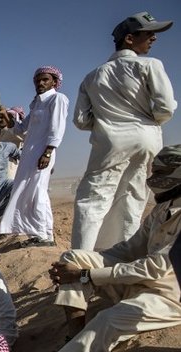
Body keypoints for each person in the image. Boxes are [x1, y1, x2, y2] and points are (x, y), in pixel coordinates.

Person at [1, 144, 181, 352]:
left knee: (107, 320)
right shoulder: (162, 208)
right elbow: (130, 249)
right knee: (73, 256)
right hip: (137, 278)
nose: (153, 177)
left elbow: (154, 267)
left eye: (161, 172)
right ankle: (74, 336)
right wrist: (88, 264)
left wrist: (87, 275)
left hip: (168, 295)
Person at [71, 12, 176, 251]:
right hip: (147, 139)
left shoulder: (92, 76)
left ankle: (79, 267)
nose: (153, 38)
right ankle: (119, 262)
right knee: (132, 199)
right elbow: (166, 108)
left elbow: (80, 120)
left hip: (111, 142)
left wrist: (106, 120)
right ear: (129, 39)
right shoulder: (150, 65)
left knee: (93, 201)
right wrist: (146, 120)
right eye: (148, 33)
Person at [0, 66, 69, 246]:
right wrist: (5, 114)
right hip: (29, 153)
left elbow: (57, 128)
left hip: (43, 152)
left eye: (45, 80)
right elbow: (21, 128)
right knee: (26, 191)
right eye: (37, 80)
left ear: (54, 82)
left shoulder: (57, 99)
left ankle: (46, 235)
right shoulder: (36, 103)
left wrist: (48, 151)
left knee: (38, 191)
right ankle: (36, 232)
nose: (40, 83)